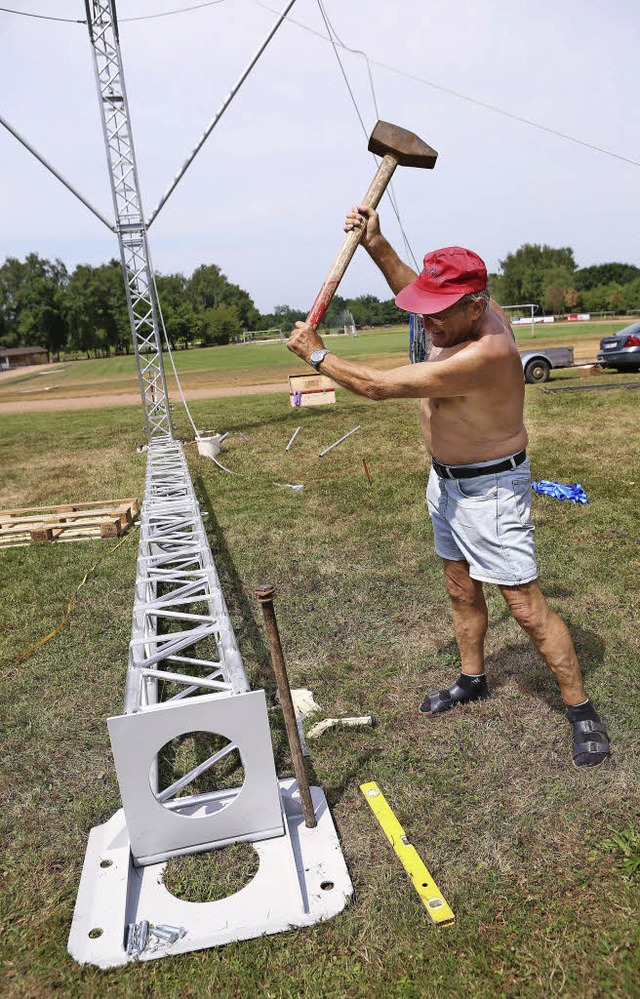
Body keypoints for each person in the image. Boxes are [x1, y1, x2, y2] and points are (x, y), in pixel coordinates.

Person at [287, 204, 610, 769]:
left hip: (491, 493)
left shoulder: (488, 352)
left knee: (526, 608)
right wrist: (377, 244)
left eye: (439, 313)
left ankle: (580, 708)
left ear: (476, 306)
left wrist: (318, 354)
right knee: (461, 587)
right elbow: (416, 290)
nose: (427, 322)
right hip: (447, 485)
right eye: (426, 312)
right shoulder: (455, 313)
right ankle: (472, 677)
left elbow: (379, 387)